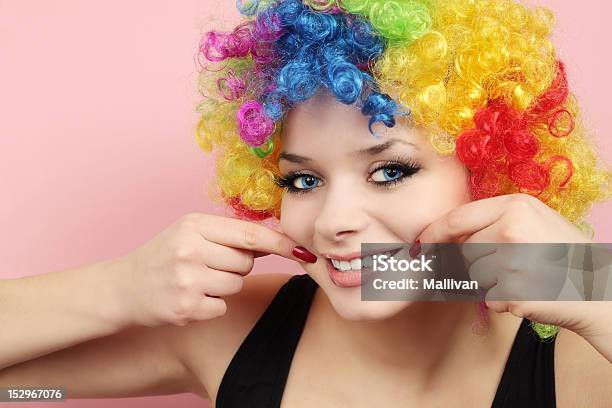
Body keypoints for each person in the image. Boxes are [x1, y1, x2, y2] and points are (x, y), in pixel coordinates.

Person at [1, 0, 612, 407]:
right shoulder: (229, 333)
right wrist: (120, 286)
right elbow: (24, 388)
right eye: (302, 182)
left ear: (489, 169)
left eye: (391, 170)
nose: (335, 222)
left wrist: (591, 281)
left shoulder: (584, 352)